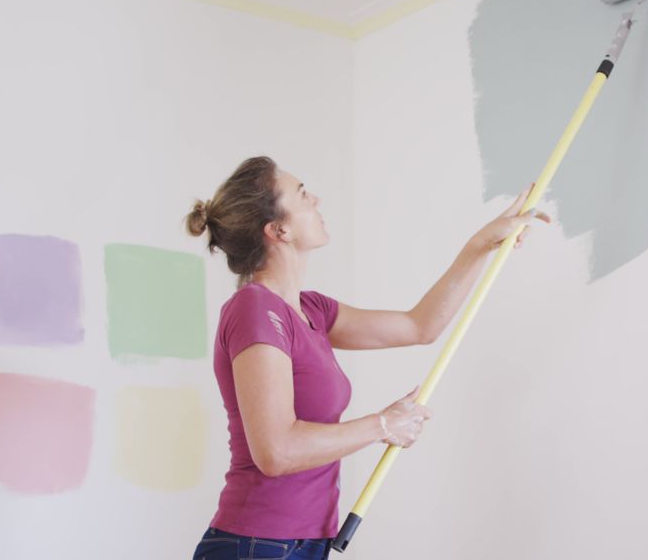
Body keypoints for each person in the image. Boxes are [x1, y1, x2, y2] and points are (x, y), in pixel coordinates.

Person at [184, 156, 549, 559]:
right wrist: (382, 425)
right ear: (278, 229)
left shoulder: (312, 312)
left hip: (302, 542)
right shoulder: (254, 309)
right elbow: (277, 451)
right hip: (258, 545)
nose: (317, 199)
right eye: (303, 194)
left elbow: (419, 326)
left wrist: (481, 246)